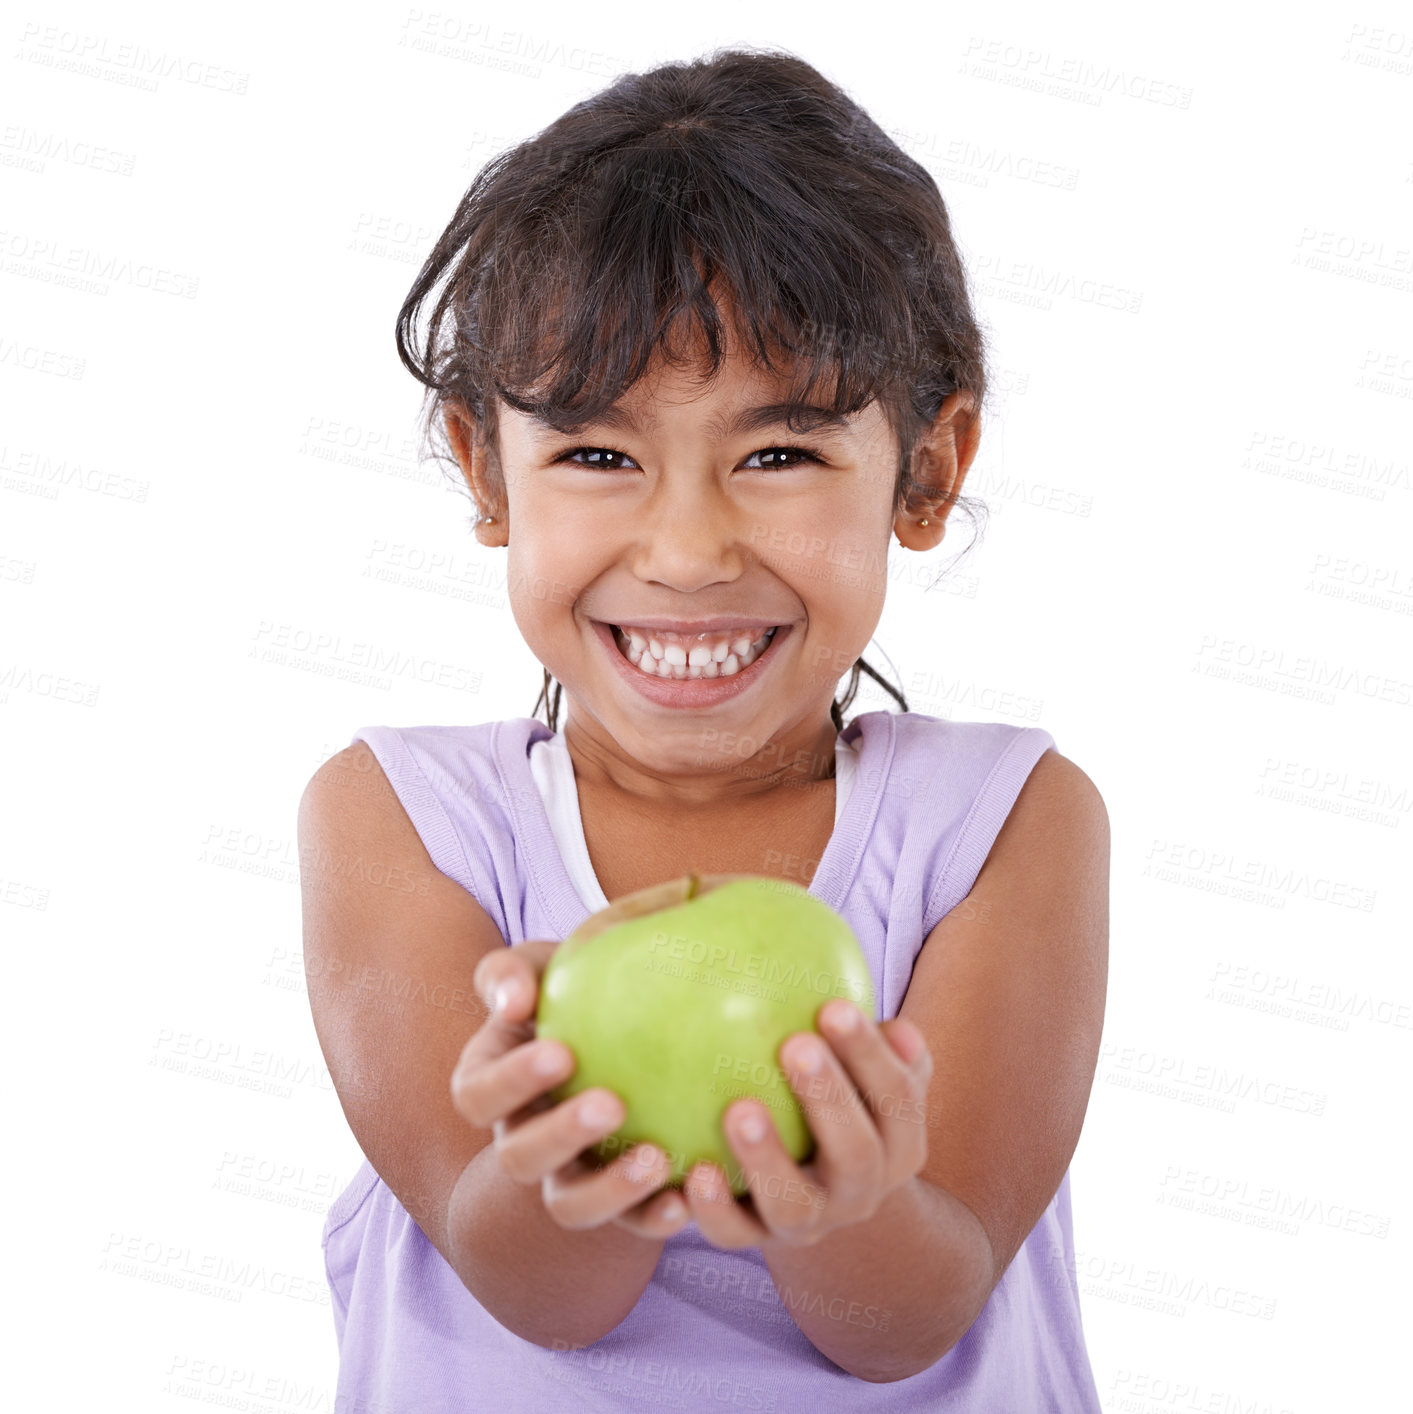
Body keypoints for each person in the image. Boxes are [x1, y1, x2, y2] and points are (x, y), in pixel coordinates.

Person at [298, 44, 1109, 1412]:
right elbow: (537, 1292)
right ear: (482, 469)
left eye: (779, 452)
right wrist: (553, 1150)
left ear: (926, 467)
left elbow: (911, 1314)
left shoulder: (1006, 823)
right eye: (597, 455)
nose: (683, 549)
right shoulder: (399, 817)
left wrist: (844, 1198)